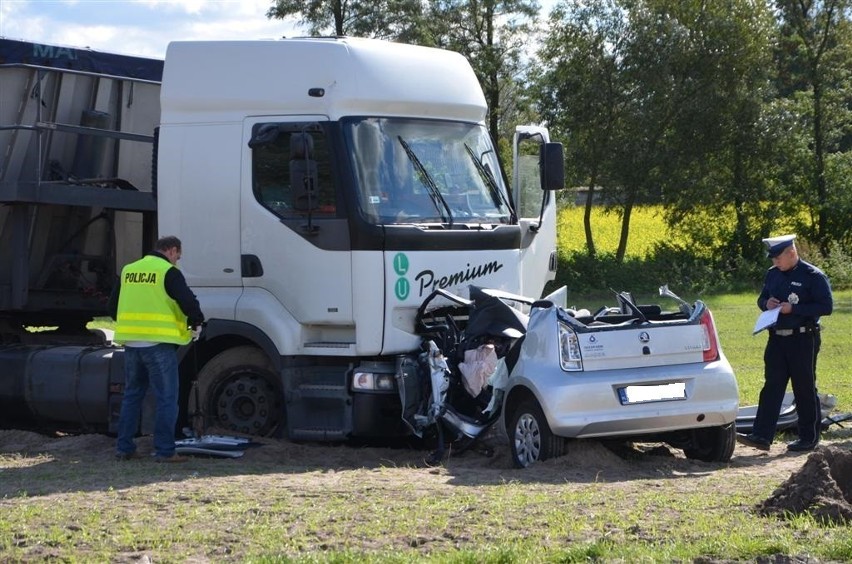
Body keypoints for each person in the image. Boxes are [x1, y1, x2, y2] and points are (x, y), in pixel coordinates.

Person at [109, 236, 204, 463]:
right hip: (158, 345)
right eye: (177, 257)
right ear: (172, 250)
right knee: (167, 398)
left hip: (132, 344)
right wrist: (197, 321)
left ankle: (124, 448)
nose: (177, 262)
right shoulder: (167, 272)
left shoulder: (129, 270)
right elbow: (187, 301)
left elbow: (112, 307)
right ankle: (165, 451)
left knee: (132, 396)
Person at [737, 234, 833, 453]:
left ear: (792, 253)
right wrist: (766, 303)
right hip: (777, 338)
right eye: (772, 259)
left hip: (802, 338)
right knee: (772, 386)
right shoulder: (773, 275)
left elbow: (826, 307)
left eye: (778, 257)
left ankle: (808, 438)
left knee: (804, 387)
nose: (775, 262)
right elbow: (762, 299)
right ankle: (762, 436)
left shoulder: (813, 276)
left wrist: (795, 309)